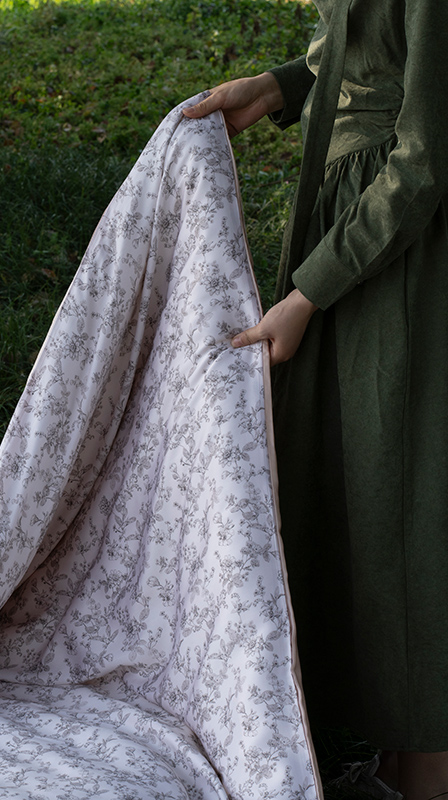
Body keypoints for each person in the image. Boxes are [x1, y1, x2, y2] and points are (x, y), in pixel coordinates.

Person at [182, 1, 448, 799]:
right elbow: (364, 51)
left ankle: (430, 768)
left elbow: (425, 157)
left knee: (405, 498)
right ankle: (401, 756)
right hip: (357, 234)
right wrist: (277, 86)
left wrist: (310, 292)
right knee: (365, 487)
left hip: (398, 249)